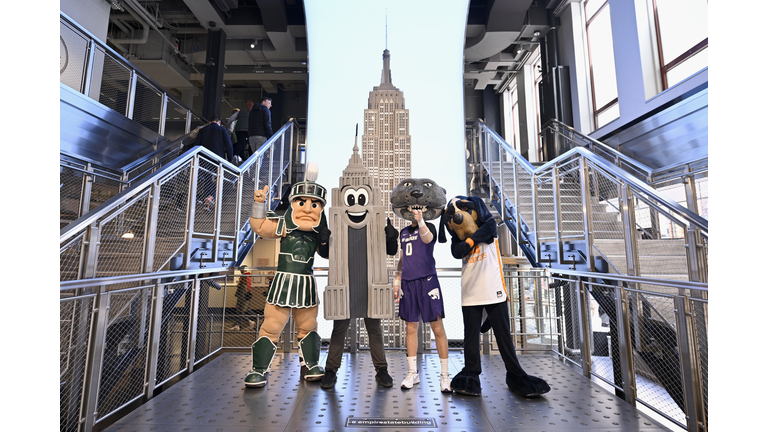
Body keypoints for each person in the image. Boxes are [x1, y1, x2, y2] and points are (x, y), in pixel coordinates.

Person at [244, 163, 331, 388]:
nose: (308, 209)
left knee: (309, 326)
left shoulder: (320, 233)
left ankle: (312, 364)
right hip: (283, 282)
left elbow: (328, 254)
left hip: (306, 284)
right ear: (293, 204)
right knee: (271, 326)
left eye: (315, 204)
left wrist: (324, 239)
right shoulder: (283, 225)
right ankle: (259, 369)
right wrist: (259, 203)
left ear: (321, 209)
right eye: (302, 203)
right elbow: (260, 226)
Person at [320, 141, 399, 389]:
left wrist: (390, 235)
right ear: (342, 194)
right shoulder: (336, 221)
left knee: (374, 330)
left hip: (369, 286)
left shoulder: (377, 219)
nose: (355, 202)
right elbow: (327, 254)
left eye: (360, 197)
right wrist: (323, 239)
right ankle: (331, 371)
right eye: (350, 197)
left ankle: (381, 370)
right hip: (345, 284)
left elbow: (391, 250)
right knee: (339, 330)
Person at [390, 178, 451, 393]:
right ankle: (412, 372)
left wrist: (421, 220)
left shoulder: (430, 228)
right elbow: (402, 259)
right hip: (408, 283)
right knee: (410, 328)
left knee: (437, 328)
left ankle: (445, 375)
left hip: (428, 282)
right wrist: (397, 280)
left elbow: (426, 240)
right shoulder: (404, 232)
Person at [192, 115, 234, 209]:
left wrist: (197, 158)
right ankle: (212, 198)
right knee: (217, 179)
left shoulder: (203, 130)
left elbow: (197, 144)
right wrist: (230, 159)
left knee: (207, 179)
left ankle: (207, 201)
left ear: (210, 122)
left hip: (204, 158)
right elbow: (229, 145)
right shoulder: (222, 130)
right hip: (218, 159)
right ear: (219, 122)